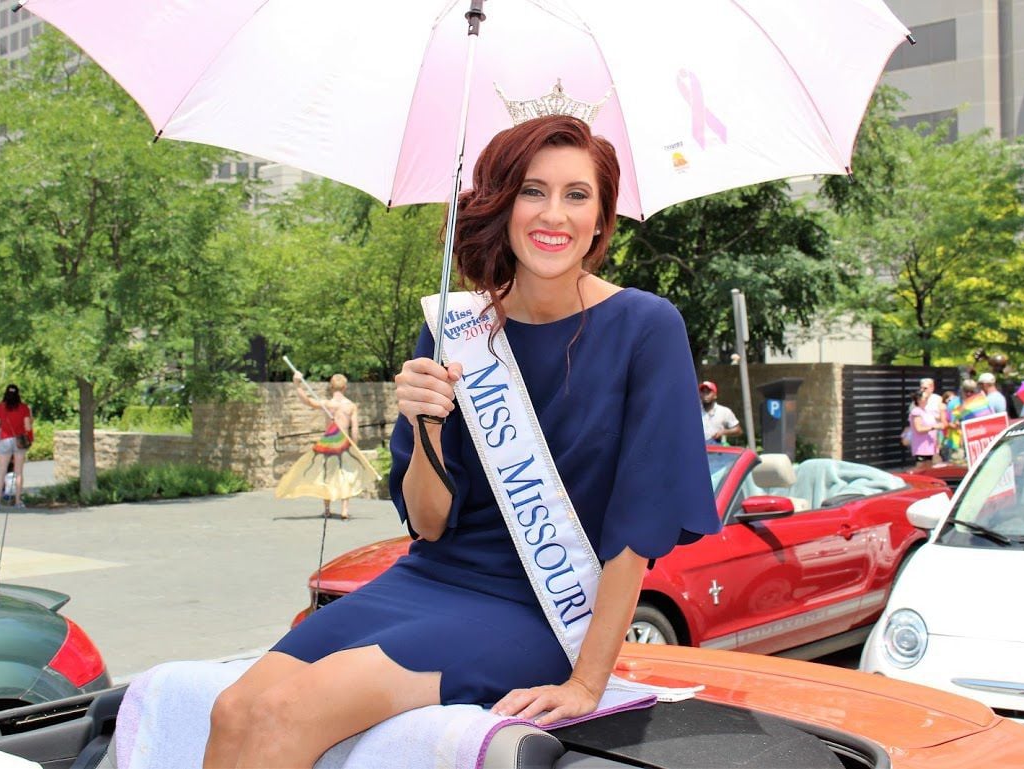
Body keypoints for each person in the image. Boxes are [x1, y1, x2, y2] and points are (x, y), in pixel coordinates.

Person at [203, 115, 718, 767]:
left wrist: (587, 681)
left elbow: (636, 528)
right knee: (234, 709)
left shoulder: (646, 327)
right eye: (532, 190)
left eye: (576, 194)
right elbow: (429, 521)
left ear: (600, 218)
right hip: (430, 577)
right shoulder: (457, 327)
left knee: (285, 713)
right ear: (503, 205)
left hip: (538, 609)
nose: (552, 214)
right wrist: (425, 422)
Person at [275, 372, 369, 520]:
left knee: (328, 475)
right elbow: (355, 429)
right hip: (344, 443)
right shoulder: (350, 406)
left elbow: (307, 401)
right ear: (345, 387)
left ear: (331, 387)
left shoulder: (327, 404)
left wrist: (297, 384)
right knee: (346, 475)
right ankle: (344, 510)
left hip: (329, 444)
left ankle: (327, 509)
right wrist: (355, 446)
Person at [0, 384, 33, 511]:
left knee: (1, 471)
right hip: (19, 440)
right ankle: (18, 501)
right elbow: (28, 428)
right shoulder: (24, 407)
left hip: (5, 439)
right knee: (18, 472)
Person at [699, 380, 742, 445]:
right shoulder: (695, 412)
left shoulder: (724, 411)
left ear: (715, 395)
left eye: (708, 392)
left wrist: (723, 432)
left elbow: (738, 430)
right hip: (699, 447)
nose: (705, 395)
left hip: (717, 448)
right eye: (703, 392)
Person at [907, 390, 940, 470]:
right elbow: (919, 428)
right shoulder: (916, 412)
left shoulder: (926, 411)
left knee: (929, 468)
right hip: (921, 446)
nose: (927, 400)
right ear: (919, 400)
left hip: (929, 446)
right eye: (925, 398)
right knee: (920, 467)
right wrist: (934, 427)